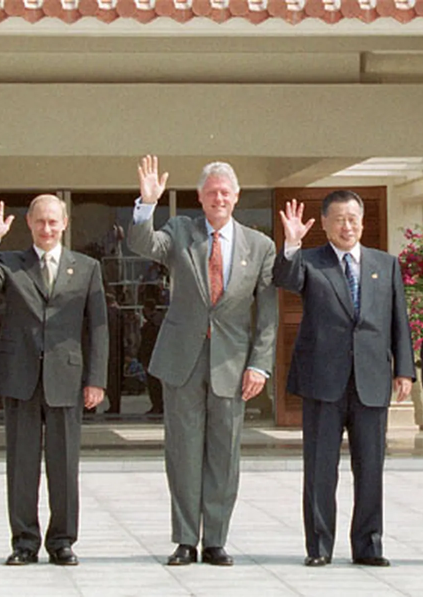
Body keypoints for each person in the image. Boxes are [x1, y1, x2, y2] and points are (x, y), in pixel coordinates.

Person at [127, 155, 278, 566]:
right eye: (211, 192)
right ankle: (184, 539)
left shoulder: (260, 246)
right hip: (183, 361)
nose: (218, 199)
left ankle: (215, 540)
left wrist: (260, 364)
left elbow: (266, 313)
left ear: (237, 197)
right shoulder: (180, 231)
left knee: (224, 454)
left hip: (233, 364)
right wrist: (147, 205)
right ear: (200, 196)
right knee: (182, 452)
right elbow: (142, 244)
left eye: (225, 192)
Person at [273, 192, 414, 568]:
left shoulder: (385, 265)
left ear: (362, 222)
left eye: (353, 218)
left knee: (370, 468)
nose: (347, 226)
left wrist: (405, 369)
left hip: (370, 380)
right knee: (320, 468)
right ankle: (319, 545)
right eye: (339, 219)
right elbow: (284, 279)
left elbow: (398, 320)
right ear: (324, 223)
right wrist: (290, 244)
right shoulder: (308, 261)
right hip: (323, 381)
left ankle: (369, 546)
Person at [0, 195, 107, 566]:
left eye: (53, 222)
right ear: (29, 223)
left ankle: (62, 541)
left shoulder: (87, 267)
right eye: (40, 222)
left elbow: (97, 326)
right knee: (22, 464)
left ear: (65, 224)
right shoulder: (9, 262)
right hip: (21, 376)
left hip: (66, 376)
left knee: (64, 466)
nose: (47, 229)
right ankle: (24, 543)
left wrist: (96, 379)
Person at [139, 299, 164, 415]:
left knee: (153, 384)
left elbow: (146, 343)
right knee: (157, 384)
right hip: (158, 356)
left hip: (151, 357)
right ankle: (159, 405)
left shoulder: (150, 325)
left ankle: (157, 405)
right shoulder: (161, 321)